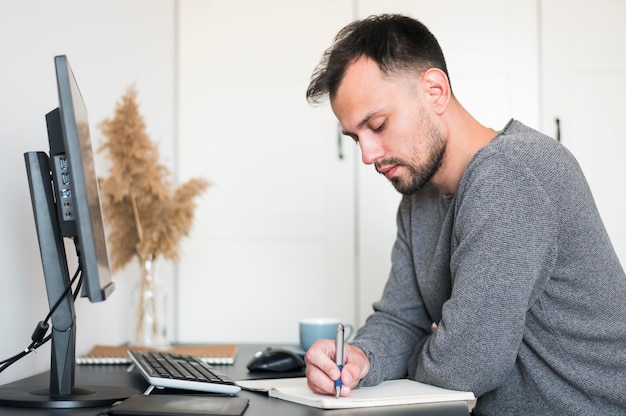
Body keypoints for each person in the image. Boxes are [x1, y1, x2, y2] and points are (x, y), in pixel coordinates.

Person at [303, 14, 626, 416]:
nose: (368, 155)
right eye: (356, 138)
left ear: (435, 91)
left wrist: (436, 349)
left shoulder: (510, 173)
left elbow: (467, 367)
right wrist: (361, 359)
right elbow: (402, 320)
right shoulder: (417, 201)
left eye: (378, 125)